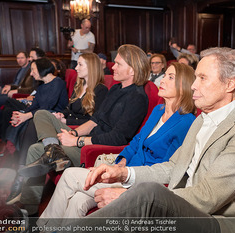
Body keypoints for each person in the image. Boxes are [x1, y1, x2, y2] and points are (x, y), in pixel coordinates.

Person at [65, 47, 235, 233]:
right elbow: (173, 166)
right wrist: (124, 172)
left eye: (202, 78)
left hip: (226, 223)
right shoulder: (203, 119)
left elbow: (209, 196)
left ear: (230, 84)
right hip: (193, 210)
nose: (193, 86)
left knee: (148, 193)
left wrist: (129, 198)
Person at [36, 62, 197, 227]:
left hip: (141, 183)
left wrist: (124, 177)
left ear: (184, 85)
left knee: (69, 175)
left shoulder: (186, 122)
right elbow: (136, 141)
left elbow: (168, 169)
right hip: (125, 172)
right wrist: (120, 161)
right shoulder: (159, 111)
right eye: (165, 76)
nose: (162, 80)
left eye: (171, 77)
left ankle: (42, 228)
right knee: (78, 200)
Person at [16, 44, 150, 216]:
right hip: (87, 139)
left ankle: (29, 208)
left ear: (132, 70)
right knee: (41, 114)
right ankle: (52, 152)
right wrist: (75, 133)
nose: (112, 67)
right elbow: (95, 120)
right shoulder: (116, 88)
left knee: (35, 149)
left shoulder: (137, 98)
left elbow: (119, 138)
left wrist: (78, 141)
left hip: (96, 150)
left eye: (118, 64)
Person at [6, 53, 108, 204]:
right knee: (39, 116)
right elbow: (68, 108)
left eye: (80, 64)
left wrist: (67, 119)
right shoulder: (79, 86)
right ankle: (52, 151)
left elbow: (93, 120)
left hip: (78, 129)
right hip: (68, 124)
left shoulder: (101, 90)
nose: (76, 68)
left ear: (91, 67)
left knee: (39, 116)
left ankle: (25, 175)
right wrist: (62, 115)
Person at [4, 57, 68, 151]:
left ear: (42, 68)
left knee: (30, 121)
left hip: (54, 115)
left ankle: (21, 156)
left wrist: (26, 116)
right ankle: (15, 152)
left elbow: (47, 106)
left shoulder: (58, 83)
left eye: (33, 69)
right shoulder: (41, 86)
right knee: (17, 115)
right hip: (42, 112)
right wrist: (21, 116)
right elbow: (34, 105)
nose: (31, 73)